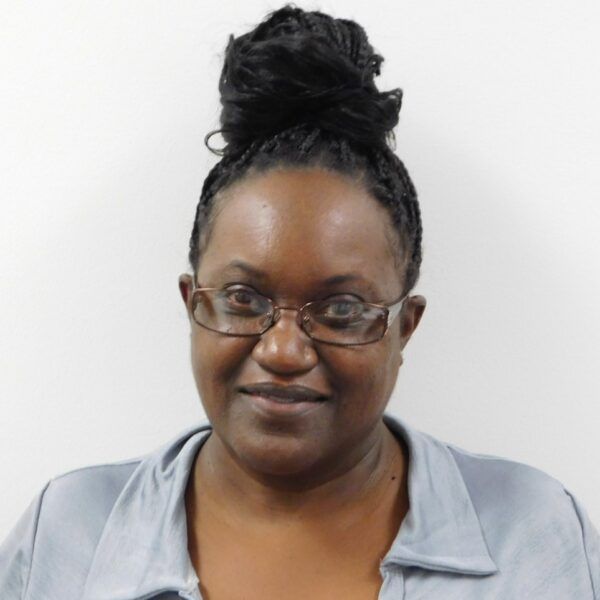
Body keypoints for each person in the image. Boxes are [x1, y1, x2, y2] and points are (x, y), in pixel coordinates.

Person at [1, 4, 598, 599]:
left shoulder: (534, 539)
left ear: (403, 328)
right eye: (242, 298)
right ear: (193, 306)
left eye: (341, 309)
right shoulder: (68, 536)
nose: (283, 350)